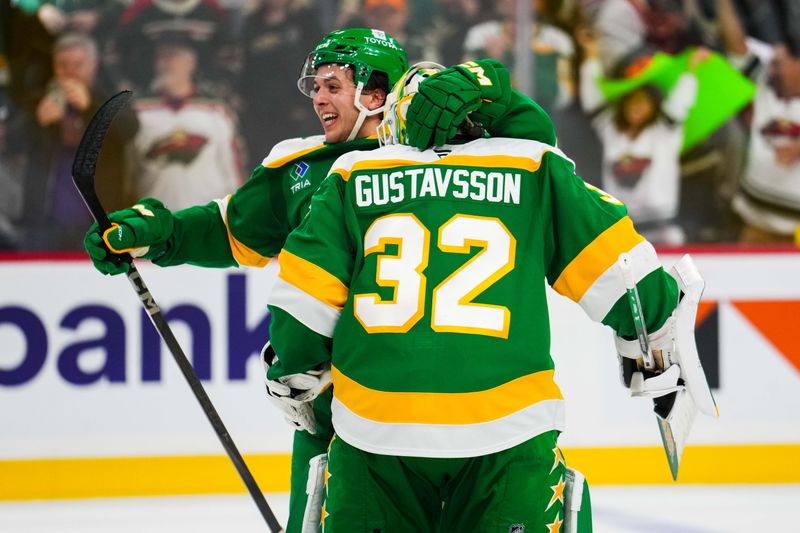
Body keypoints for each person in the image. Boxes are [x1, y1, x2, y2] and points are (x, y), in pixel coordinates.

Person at [83, 28, 557, 532]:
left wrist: (491, 87)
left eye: (332, 85)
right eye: (316, 86)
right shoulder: (301, 170)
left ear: (375, 92)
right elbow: (230, 229)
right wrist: (160, 234)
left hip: (464, 416)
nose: (318, 98)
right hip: (342, 418)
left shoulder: (461, 151)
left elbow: (539, 148)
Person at [262, 63, 709, 532]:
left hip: (375, 432)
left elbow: (301, 303)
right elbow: (628, 282)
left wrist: (294, 369)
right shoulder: (532, 166)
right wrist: (653, 335)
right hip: (507, 431)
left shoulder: (354, 172)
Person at [131, 35, 245, 209]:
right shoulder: (138, 113)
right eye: (160, 57)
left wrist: (240, 213)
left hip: (208, 221)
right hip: (155, 221)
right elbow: (126, 172)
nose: (165, 63)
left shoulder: (216, 111)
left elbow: (233, 169)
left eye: (173, 56)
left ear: (191, 62)